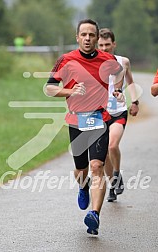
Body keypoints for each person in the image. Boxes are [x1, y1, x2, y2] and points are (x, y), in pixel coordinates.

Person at [44, 19, 124, 235]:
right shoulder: (66, 60)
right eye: (84, 35)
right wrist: (70, 92)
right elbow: (49, 89)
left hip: (100, 119)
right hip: (77, 121)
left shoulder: (108, 59)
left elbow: (119, 72)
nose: (88, 38)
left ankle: (94, 215)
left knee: (97, 166)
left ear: (97, 38)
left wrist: (117, 90)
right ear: (77, 37)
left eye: (91, 35)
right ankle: (82, 186)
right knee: (81, 170)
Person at [98, 28, 139, 202]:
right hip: (99, 112)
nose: (105, 48)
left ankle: (116, 173)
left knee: (112, 146)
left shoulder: (123, 62)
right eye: (101, 45)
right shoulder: (92, 63)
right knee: (104, 155)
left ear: (114, 44)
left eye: (107, 44)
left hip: (118, 111)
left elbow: (130, 82)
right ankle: (113, 185)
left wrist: (135, 102)